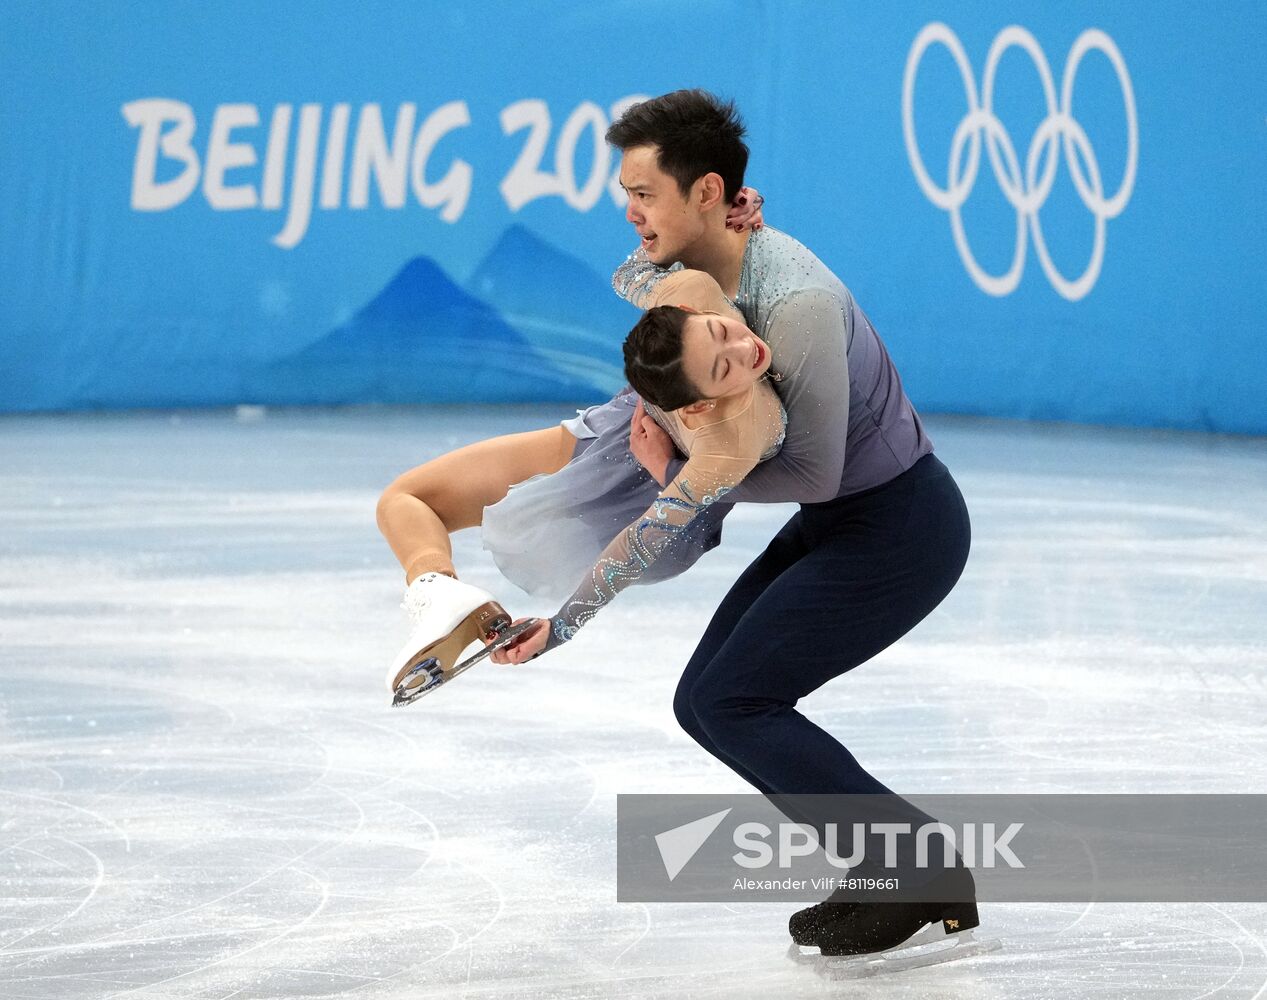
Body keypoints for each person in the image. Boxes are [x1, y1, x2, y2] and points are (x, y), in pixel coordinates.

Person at [491, 90, 979, 961]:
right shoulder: (699, 282)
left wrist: (679, 476)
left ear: (708, 191)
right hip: (842, 520)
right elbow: (630, 279)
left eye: (644, 193)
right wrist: (560, 625)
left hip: (902, 526)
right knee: (701, 702)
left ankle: (915, 867)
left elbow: (813, 471)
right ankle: (880, 860)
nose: (628, 211)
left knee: (735, 699)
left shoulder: (795, 307)